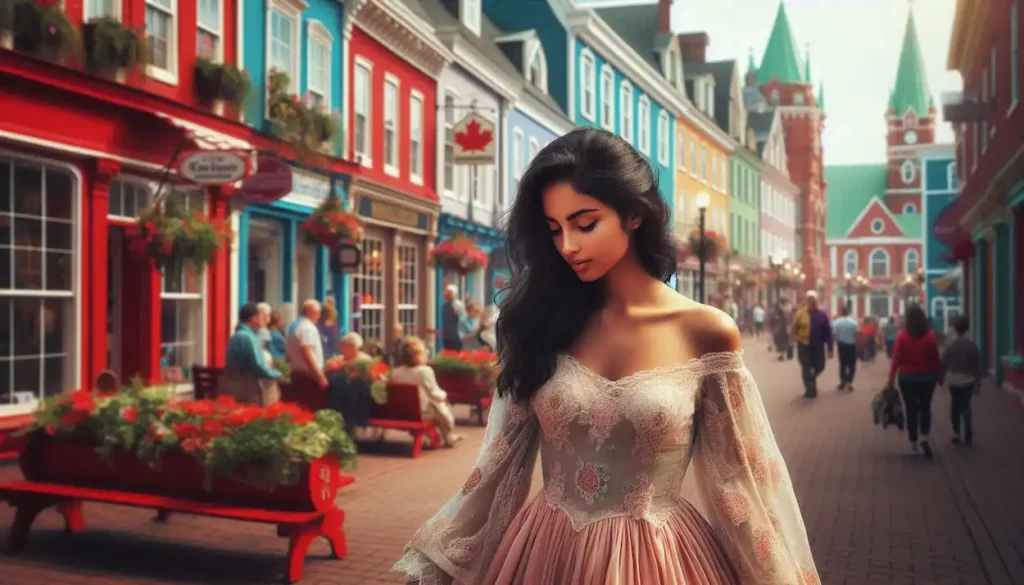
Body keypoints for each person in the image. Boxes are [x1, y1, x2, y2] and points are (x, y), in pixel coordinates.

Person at [393, 128, 819, 585]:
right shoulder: (540, 324)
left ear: (634, 215)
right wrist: (437, 564)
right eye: (554, 229)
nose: (568, 246)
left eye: (585, 223)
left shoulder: (706, 332)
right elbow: (498, 466)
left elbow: (741, 483)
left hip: (661, 560)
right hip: (546, 555)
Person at [389, 336, 463, 448]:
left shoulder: (395, 372)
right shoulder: (424, 371)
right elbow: (434, 393)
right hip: (420, 414)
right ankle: (448, 436)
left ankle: (433, 437)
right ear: (417, 355)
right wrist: (444, 396)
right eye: (424, 352)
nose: (426, 354)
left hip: (400, 412)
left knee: (434, 404)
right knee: (440, 405)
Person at [887, 304, 941, 458]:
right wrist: (939, 375)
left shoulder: (902, 337)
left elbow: (895, 360)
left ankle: (913, 445)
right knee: (925, 407)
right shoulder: (930, 336)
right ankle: (924, 436)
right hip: (927, 378)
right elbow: (935, 358)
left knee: (911, 410)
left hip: (907, 378)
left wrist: (890, 379)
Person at [221, 303, 281, 405]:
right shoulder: (247, 337)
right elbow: (258, 366)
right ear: (254, 319)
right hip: (245, 388)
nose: (264, 320)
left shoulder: (241, 334)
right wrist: (277, 374)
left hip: (235, 384)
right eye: (261, 316)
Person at [939, 316, 984, 445]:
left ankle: (957, 433)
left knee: (955, 406)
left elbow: (943, 363)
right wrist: (978, 383)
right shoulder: (972, 346)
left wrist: (941, 379)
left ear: (955, 329)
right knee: (966, 405)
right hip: (968, 380)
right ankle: (968, 427)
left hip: (954, 380)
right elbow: (976, 366)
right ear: (967, 329)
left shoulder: (950, 345)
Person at [791, 290, 833, 398]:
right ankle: (810, 389)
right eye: (809, 300)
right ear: (807, 301)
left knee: (820, 367)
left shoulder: (822, 315)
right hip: (804, 345)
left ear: (816, 301)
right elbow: (794, 328)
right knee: (806, 367)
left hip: (818, 346)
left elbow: (828, 332)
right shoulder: (800, 314)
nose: (812, 302)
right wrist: (795, 337)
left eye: (813, 300)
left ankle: (812, 380)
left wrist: (830, 348)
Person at [286, 299, 328, 389]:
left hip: (296, 371)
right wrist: (319, 375)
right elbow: (307, 352)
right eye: (317, 313)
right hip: (308, 374)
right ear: (309, 312)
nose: (319, 316)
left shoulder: (294, 325)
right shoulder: (307, 328)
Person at [832, 304, 859, 391]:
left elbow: (835, 335)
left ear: (841, 312)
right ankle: (849, 381)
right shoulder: (853, 322)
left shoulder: (836, 322)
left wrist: (835, 344)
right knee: (852, 364)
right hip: (852, 345)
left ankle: (843, 382)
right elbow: (857, 334)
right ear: (848, 312)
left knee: (843, 364)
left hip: (841, 345)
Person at [440, 284, 466, 351]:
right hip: (445, 334)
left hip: (456, 334)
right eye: (447, 292)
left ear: (455, 294)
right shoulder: (443, 305)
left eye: (451, 292)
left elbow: (463, 318)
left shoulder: (459, 305)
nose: (448, 294)